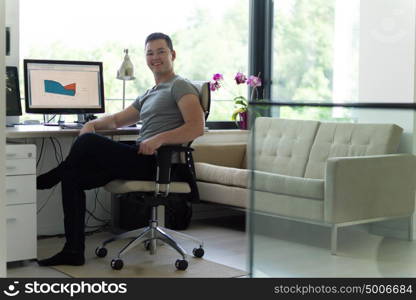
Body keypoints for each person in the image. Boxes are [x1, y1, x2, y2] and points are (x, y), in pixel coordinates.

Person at [36, 32, 205, 266]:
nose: (155, 57)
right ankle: (73, 251)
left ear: (172, 54)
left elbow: (196, 127)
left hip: (157, 163)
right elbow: (116, 121)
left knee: (87, 142)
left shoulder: (180, 86)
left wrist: (158, 139)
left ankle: (52, 176)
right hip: (139, 158)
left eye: (160, 51)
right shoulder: (149, 93)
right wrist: (92, 123)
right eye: (149, 53)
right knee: (73, 178)